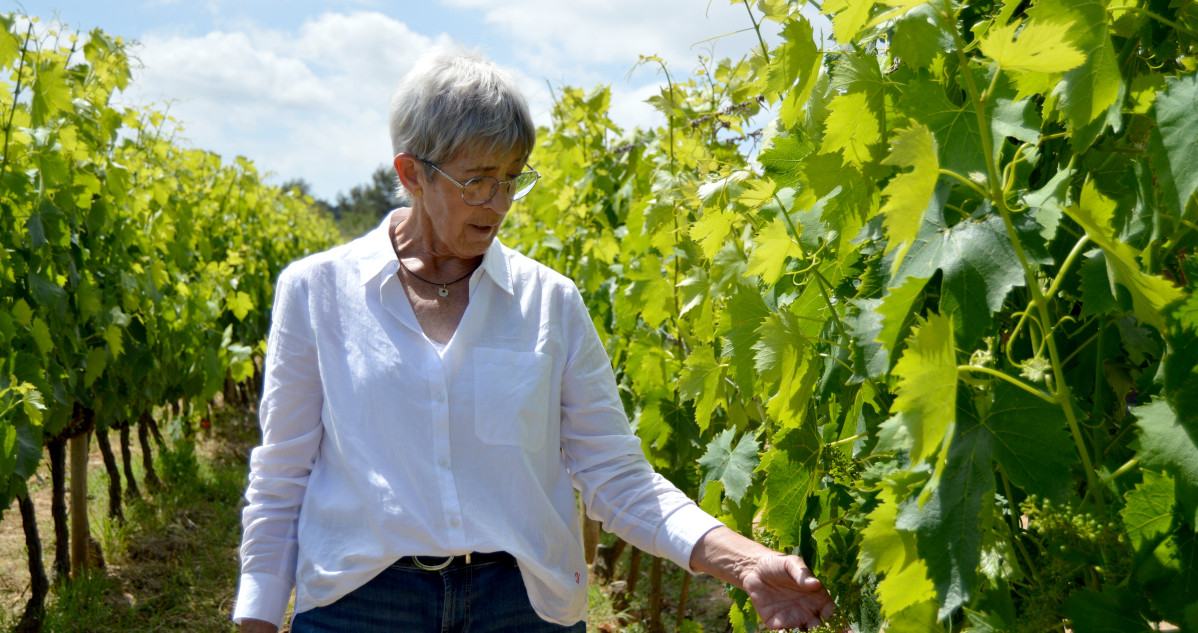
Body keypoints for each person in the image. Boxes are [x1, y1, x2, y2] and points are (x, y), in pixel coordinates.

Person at [233, 47, 835, 633]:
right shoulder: (316, 292)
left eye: (511, 179)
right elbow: (283, 472)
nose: (497, 205)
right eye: (476, 181)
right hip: (360, 604)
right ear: (411, 173)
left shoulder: (551, 302)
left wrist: (746, 561)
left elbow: (615, 475)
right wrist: (258, 613)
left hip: (522, 607)